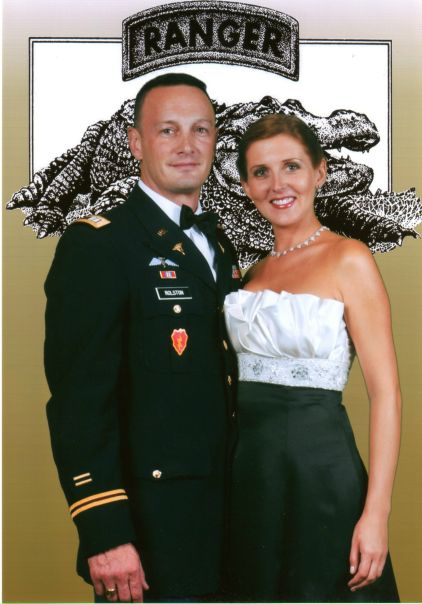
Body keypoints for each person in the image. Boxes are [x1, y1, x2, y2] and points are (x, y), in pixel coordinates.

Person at [44, 73, 241, 603]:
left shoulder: (217, 244)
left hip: (230, 523)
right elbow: (78, 403)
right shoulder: (98, 247)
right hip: (151, 533)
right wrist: (104, 532)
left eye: (201, 130)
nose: (187, 145)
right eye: (167, 130)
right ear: (136, 142)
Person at [223, 114, 401, 602]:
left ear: (320, 171)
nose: (277, 185)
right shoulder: (251, 273)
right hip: (249, 478)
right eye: (261, 172)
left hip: (323, 476)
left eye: (292, 166)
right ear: (245, 185)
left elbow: (386, 394)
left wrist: (376, 513)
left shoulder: (350, 258)